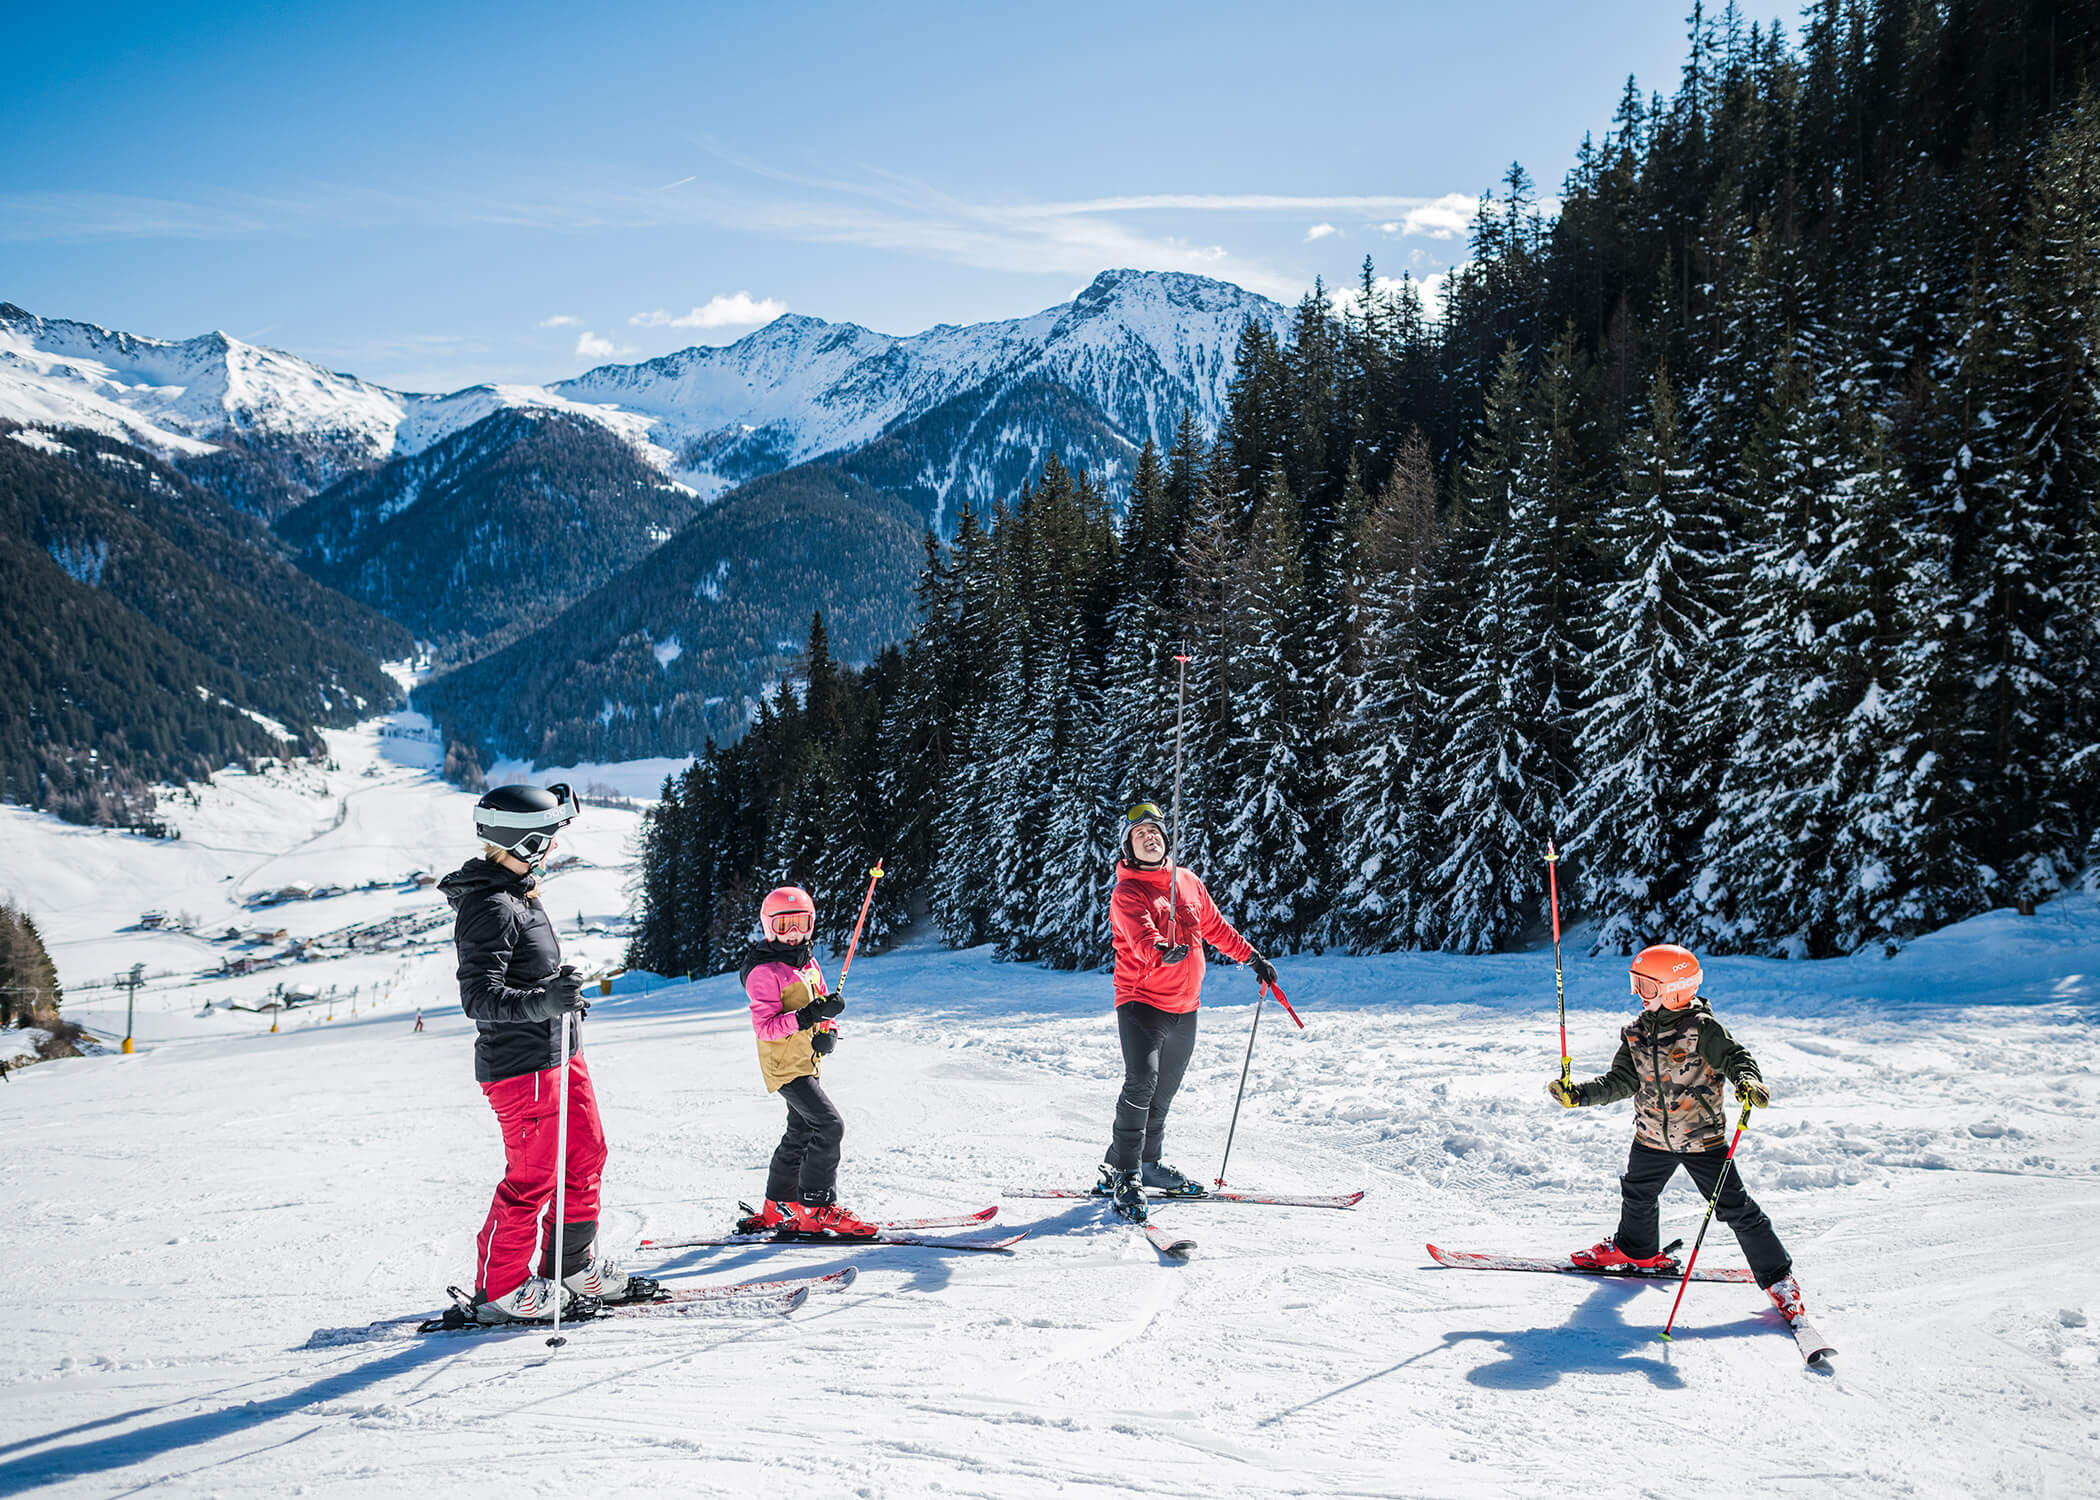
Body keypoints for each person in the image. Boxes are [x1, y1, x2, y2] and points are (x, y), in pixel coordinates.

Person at [440, 782, 655, 1324]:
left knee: (586, 1156)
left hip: (561, 1055)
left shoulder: (517, 894)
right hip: (522, 1068)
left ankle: (571, 1265)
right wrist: (542, 1001)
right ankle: (501, 1290)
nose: (555, 847)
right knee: (534, 1178)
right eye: (550, 838)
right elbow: (477, 998)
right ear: (527, 842)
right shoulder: (490, 906)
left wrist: (559, 998)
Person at [1547, 943, 1808, 1323]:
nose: (1638, 995)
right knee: (1638, 1193)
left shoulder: (1703, 1030)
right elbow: (1621, 1080)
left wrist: (1748, 1082)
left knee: (1735, 1208)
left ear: (1676, 989)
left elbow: (1738, 1058)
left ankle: (1779, 1279)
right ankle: (1637, 1250)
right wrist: (1580, 1095)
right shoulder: (1636, 1033)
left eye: (1647, 987)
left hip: (1702, 1140)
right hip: (1651, 1136)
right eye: (1635, 984)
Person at [1099, 801, 1278, 1222]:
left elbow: (1216, 928)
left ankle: (1143, 1162)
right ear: (1128, 847)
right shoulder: (1127, 891)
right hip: (1141, 1003)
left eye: (1156, 832)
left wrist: (1253, 959)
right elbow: (1141, 935)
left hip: (1186, 1006)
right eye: (1141, 834)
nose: (1151, 837)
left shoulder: (1188, 882)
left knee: (1162, 1095)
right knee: (1141, 1083)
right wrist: (1163, 949)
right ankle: (1126, 1173)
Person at [736, 884, 874, 1238]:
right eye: (784, 926)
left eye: (800, 923)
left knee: (800, 1131)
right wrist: (808, 1016)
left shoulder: (807, 961)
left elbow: (820, 1003)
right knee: (830, 1126)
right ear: (769, 927)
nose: (793, 933)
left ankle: (777, 1207)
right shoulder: (763, 971)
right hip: (785, 1066)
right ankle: (817, 1207)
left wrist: (829, 1026)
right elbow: (766, 1028)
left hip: (805, 1060)